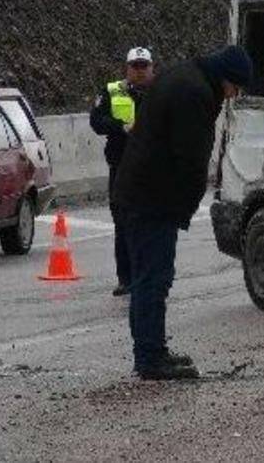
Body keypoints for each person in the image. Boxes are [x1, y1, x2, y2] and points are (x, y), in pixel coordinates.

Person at [113, 44, 253, 381]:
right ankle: (150, 357)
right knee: (153, 279)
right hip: (153, 199)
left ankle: (150, 350)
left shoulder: (183, 75)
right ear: (225, 79)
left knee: (148, 276)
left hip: (140, 192)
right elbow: (189, 157)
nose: (233, 96)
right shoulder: (194, 93)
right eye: (234, 88)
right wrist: (186, 203)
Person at [89, 47, 155, 297]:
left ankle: (149, 275)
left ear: (152, 67)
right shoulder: (111, 91)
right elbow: (96, 121)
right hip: (122, 167)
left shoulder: (162, 92)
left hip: (152, 170)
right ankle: (126, 279)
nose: (139, 71)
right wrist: (122, 127)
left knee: (151, 224)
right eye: (135, 66)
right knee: (123, 224)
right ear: (127, 68)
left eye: (143, 66)